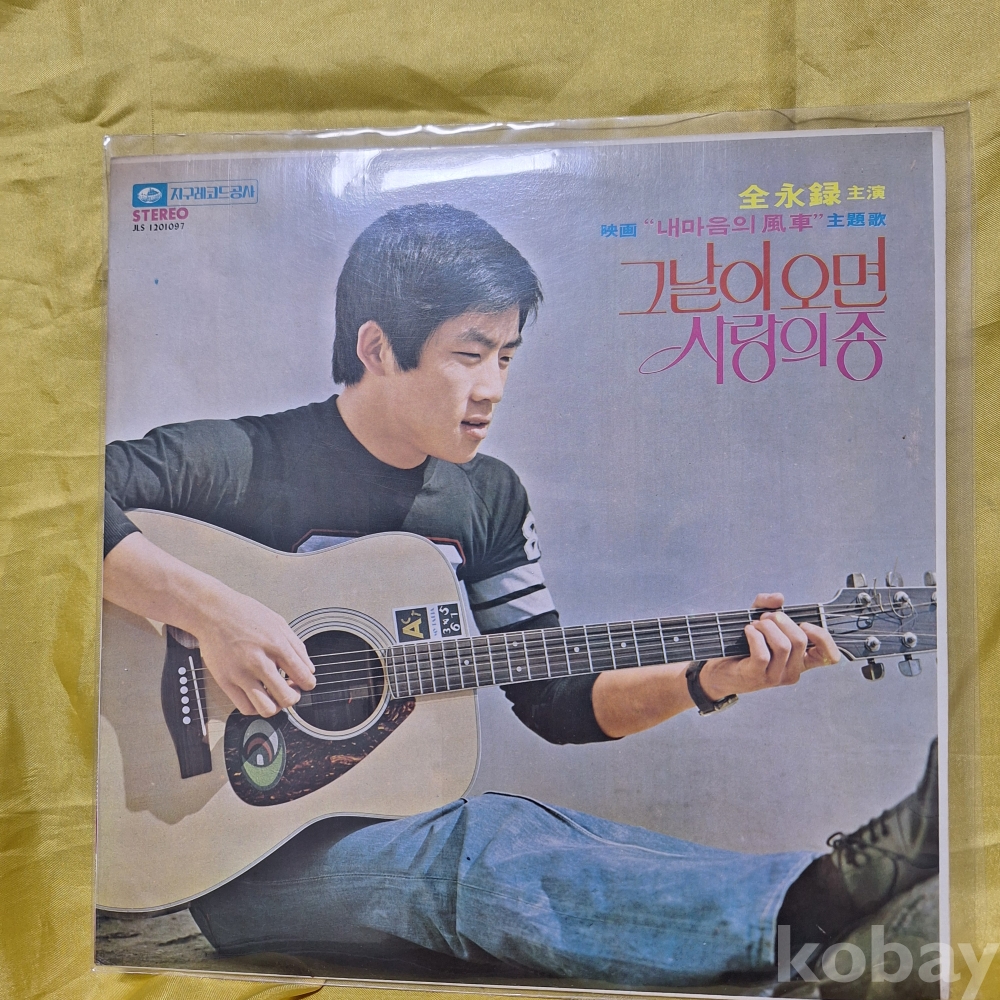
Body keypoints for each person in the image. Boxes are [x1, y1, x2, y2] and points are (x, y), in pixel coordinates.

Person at [102, 203, 939, 987]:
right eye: (469, 355)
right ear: (377, 348)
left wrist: (708, 679)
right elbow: (57, 500)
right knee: (477, 846)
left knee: (515, 830)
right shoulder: (243, 460)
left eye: (506, 357)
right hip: (202, 871)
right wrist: (211, 613)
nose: (493, 387)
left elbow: (556, 700)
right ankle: (815, 910)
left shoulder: (487, 499)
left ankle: (825, 907)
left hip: (353, 850)